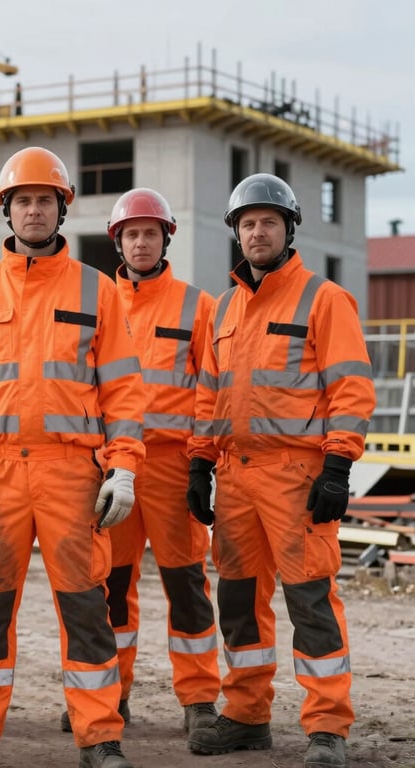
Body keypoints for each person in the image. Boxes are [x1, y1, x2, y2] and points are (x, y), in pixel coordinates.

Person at [0, 146, 146, 768]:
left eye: (44, 200)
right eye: (22, 200)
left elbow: (123, 392)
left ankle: (100, 738)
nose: (33, 210)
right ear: (6, 210)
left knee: (86, 609)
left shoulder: (97, 290)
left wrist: (124, 466)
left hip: (73, 474)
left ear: (62, 208)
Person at [185, 173, 376, 768]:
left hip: (298, 475)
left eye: (269, 221)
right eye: (247, 224)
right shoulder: (225, 309)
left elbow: (350, 386)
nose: (257, 231)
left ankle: (327, 728)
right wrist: (198, 461)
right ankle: (246, 714)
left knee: (311, 601)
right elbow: (209, 394)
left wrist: (339, 464)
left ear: (289, 229)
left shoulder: (324, 299)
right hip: (236, 477)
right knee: (239, 601)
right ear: (236, 236)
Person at [61, 188, 222, 743]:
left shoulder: (197, 306)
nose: (142, 242)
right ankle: (112, 694)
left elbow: (212, 389)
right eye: (132, 233)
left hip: (174, 464)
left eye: (151, 233)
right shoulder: (100, 301)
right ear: (118, 241)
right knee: (109, 584)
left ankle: (200, 700)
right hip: (110, 467)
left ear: (166, 238)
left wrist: (202, 464)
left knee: (187, 586)